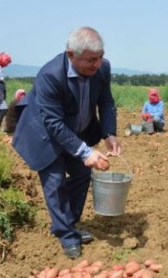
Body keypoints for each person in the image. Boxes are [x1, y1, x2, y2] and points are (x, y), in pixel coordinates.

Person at [12, 26, 122, 259]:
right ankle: (67, 235)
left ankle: (66, 224)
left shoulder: (102, 69)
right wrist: (85, 152)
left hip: (74, 132)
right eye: (91, 60)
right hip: (44, 135)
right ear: (71, 55)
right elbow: (53, 123)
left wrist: (109, 133)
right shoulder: (50, 75)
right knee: (55, 181)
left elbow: (106, 102)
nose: (97, 64)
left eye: (100, 57)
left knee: (82, 174)